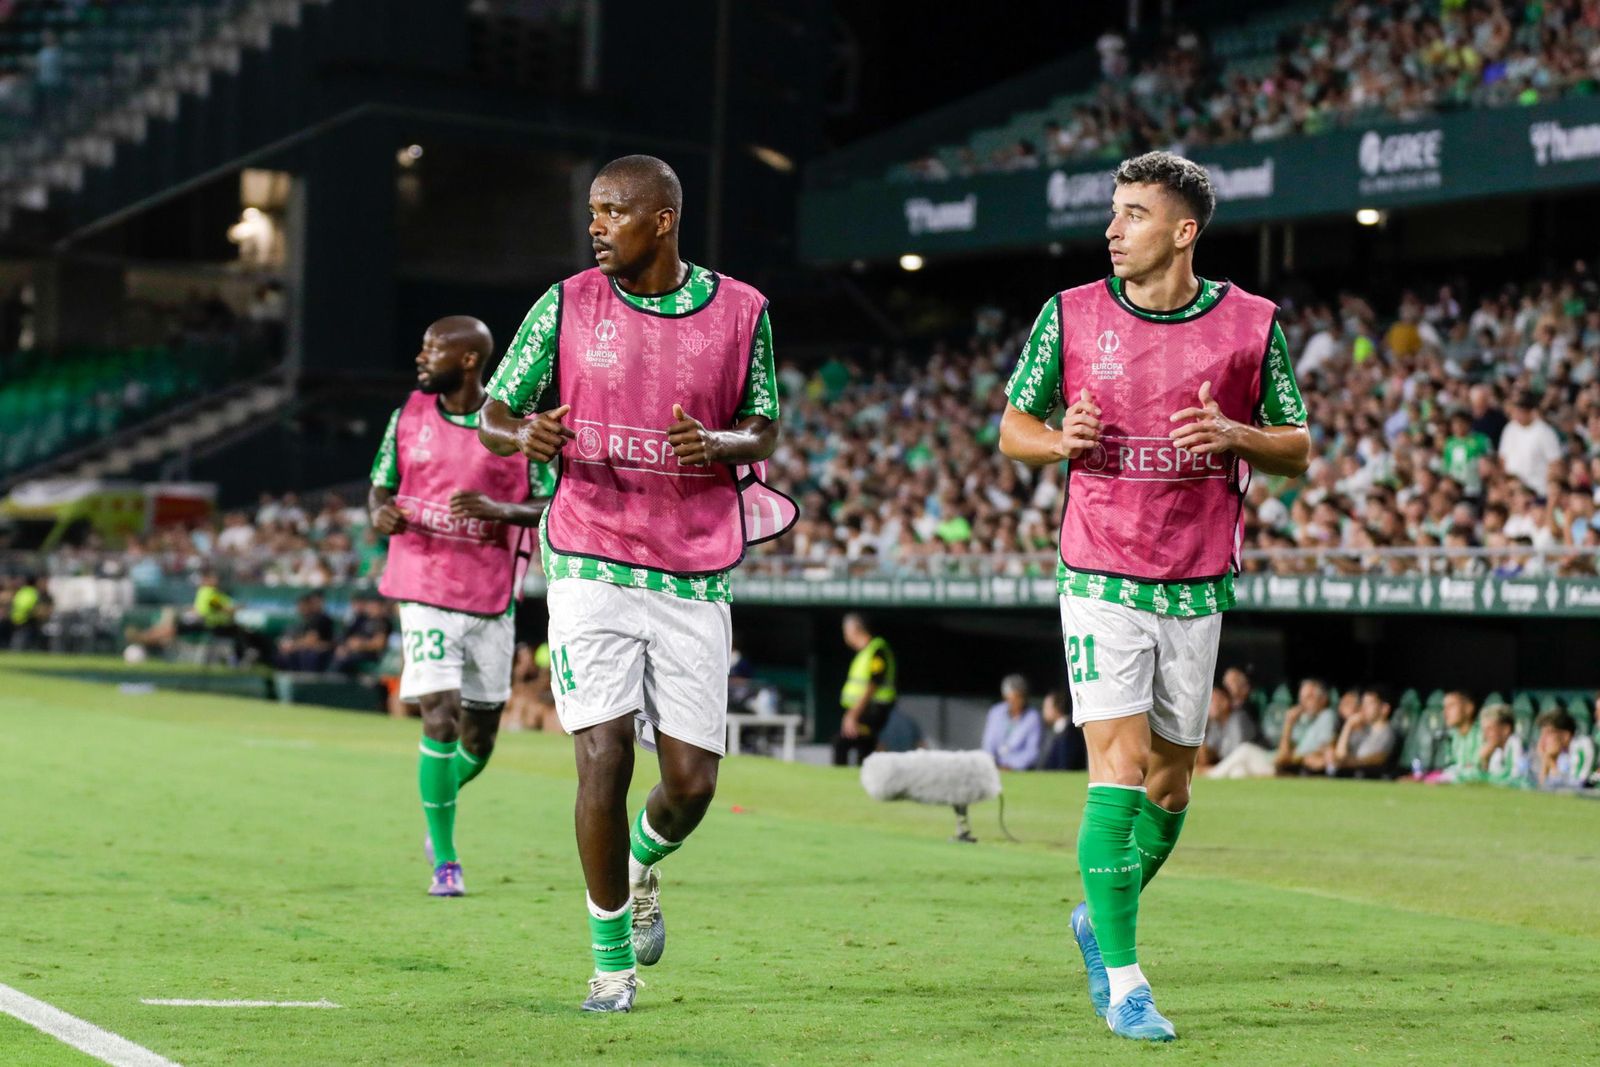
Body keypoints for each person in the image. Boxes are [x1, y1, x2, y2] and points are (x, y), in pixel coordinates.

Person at [997, 150, 1309, 1042]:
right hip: (1099, 572)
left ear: (1183, 231)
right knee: (1119, 768)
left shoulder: (1251, 324)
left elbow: (1299, 445)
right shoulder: (1070, 315)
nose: (1112, 227)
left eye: (1133, 213)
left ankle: (1101, 917)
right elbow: (1013, 426)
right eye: (1112, 210)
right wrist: (1059, 440)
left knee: (1170, 788)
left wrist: (1236, 434)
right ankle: (1128, 984)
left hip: (1200, 577)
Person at [477, 155, 787, 1013]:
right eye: (592, 209)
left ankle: (643, 861)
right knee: (602, 754)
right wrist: (523, 435)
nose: (596, 224)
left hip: (693, 564)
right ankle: (609, 962)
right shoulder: (568, 301)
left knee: (691, 785)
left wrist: (721, 447)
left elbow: (764, 425)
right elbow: (498, 410)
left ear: (663, 219)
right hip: (588, 553)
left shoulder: (742, 310)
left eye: (613, 210)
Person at [371, 315, 547, 898]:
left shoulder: (514, 430)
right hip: (423, 582)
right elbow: (379, 486)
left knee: (479, 741)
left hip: (489, 593)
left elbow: (552, 505)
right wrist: (381, 511)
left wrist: (498, 510)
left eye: (432, 350)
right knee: (439, 713)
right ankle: (446, 860)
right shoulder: (408, 417)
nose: (420, 359)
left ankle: (437, 801)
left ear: (469, 360)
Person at [832, 612, 898, 767]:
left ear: (854, 630)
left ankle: (840, 782)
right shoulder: (864, 653)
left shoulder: (877, 650)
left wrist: (853, 714)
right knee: (864, 746)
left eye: (845, 631)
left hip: (873, 709)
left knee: (842, 743)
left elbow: (873, 684)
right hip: (866, 710)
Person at [1498, 391, 1563, 493]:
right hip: (1513, 490)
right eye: (1515, 410)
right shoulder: (1509, 429)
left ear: (1531, 411)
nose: (1517, 414)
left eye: (1521, 411)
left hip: (1537, 489)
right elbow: (1502, 458)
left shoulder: (1545, 432)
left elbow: (1555, 463)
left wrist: (1549, 488)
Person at [1329, 686, 1397, 777]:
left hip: (1370, 777)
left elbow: (1379, 759)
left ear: (1384, 708)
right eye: (1363, 703)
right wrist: (1348, 726)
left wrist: (1350, 762)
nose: (1364, 708)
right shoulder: (1362, 731)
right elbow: (1340, 756)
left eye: (1369, 703)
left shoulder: (1387, 732)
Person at [982, 674, 1043, 770]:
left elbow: (1032, 752)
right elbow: (988, 744)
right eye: (1010, 698)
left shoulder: (1033, 717)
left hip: (1020, 771)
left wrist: (1011, 766)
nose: (1014, 701)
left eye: (1018, 697)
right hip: (994, 768)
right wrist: (992, 764)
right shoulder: (995, 712)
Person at [330, 593, 393, 677]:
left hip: (371, 655)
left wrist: (361, 644)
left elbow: (379, 644)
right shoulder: (364, 620)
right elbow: (351, 637)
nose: (371, 609)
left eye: (374, 606)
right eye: (370, 606)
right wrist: (346, 646)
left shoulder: (383, 622)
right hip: (356, 652)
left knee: (344, 662)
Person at [1532, 710, 1595, 789]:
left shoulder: (1582, 746)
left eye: (1548, 733)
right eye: (1542, 734)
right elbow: (1541, 788)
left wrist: (1551, 762)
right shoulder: (1560, 753)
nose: (1543, 739)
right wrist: (1546, 760)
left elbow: (1578, 786)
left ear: (1565, 735)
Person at [1427, 691, 1481, 782]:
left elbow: (1479, 770)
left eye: (1451, 706)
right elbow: (1455, 767)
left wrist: (1446, 778)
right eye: (1444, 707)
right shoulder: (1454, 736)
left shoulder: (1482, 734)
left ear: (1468, 708)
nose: (1445, 712)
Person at [275, 593, 336, 671]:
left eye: (303, 606)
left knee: (306, 654)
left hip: (322, 650)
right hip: (309, 648)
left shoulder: (322, 618)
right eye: (299, 606)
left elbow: (311, 641)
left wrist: (292, 645)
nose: (300, 609)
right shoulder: (306, 620)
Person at [1038, 689, 1077, 770]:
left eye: (1046, 707)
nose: (1043, 711)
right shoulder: (1052, 730)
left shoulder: (1069, 732)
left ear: (1057, 708)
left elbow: (1065, 764)